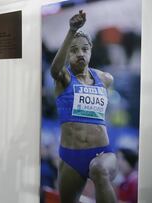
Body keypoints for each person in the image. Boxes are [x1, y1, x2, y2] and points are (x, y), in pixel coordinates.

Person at [51, 10, 117, 203]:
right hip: (71, 156)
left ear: (91, 50)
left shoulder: (105, 79)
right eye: (74, 50)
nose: (80, 53)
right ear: (68, 53)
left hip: (102, 153)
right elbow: (55, 69)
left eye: (84, 49)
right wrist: (72, 30)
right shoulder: (63, 79)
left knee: (99, 169)